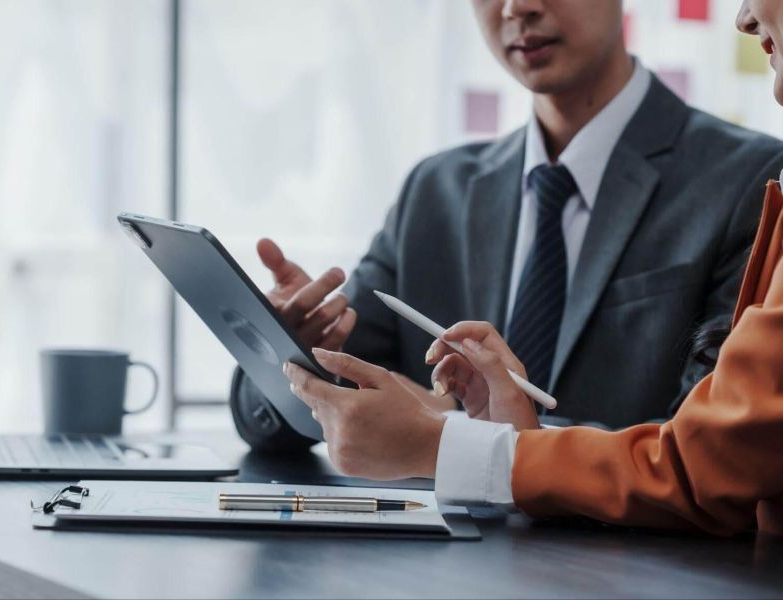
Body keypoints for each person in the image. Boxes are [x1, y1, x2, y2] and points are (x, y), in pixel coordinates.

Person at [282, 0, 783, 537]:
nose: (519, 7)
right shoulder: (436, 190)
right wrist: (280, 346)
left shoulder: (751, 179)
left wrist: (448, 437)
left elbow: (712, 457)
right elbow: (333, 391)